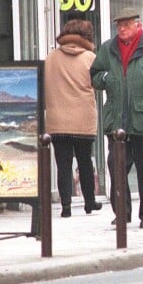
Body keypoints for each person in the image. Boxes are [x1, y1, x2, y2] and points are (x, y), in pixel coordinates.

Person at [90, 7, 143, 229]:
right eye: (118, 25)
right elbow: (95, 76)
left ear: (138, 25)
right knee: (115, 166)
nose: (122, 29)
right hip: (117, 119)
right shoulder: (108, 48)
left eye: (126, 24)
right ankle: (122, 213)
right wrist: (107, 78)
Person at [44, 18, 102, 218]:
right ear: (86, 37)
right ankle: (89, 202)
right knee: (85, 161)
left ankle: (66, 206)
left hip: (57, 120)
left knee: (63, 164)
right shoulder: (90, 58)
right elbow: (96, 84)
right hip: (83, 118)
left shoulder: (51, 57)